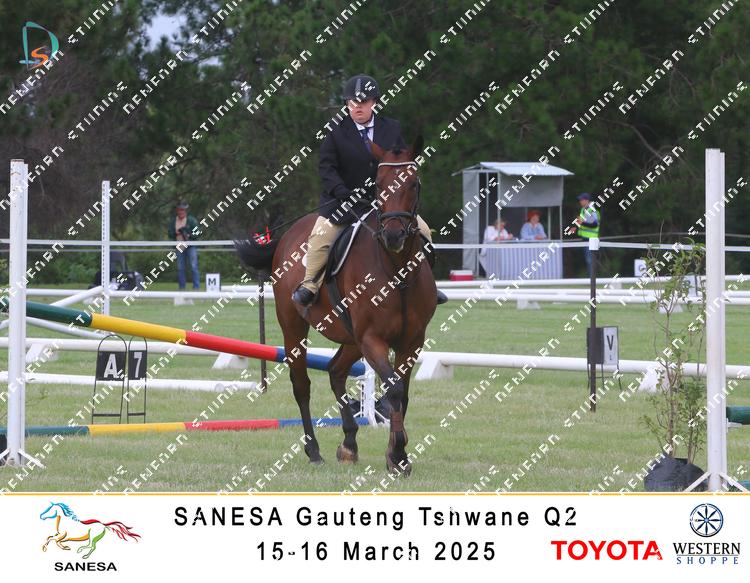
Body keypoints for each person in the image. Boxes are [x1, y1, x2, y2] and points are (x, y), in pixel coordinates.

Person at [292, 73, 447, 307]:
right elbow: (326, 167)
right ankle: (310, 285)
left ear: (374, 102)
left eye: (363, 102)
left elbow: (401, 161)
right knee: (321, 237)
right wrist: (341, 190)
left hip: (387, 203)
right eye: (352, 102)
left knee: (423, 231)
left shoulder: (392, 128)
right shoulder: (335, 131)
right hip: (344, 202)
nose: (357, 107)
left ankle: (427, 284)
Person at [168, 200, 201, 290]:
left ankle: (196, 287)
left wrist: (188, 234)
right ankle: (182, 287)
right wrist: (176, 233)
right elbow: (170, 233)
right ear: (177, 211)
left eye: (182, 210)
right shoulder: (173, 221)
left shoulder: (191, 220)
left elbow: (198, 232)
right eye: (179, 210)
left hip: (190, 246)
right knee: (180, 268)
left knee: (194, 266)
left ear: (185, 211)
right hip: (179, 246)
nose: (181, 212)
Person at [572, 192, 600, 276]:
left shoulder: (591, 210)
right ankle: (591, 278)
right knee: (588, 260)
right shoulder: (583, 210)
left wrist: (582, 223)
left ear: (587, 200)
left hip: (591, 239)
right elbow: (583, 223)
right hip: (585, 238)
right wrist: (576, 227)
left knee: (590, 260)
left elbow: (594, 224)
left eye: (581, 200)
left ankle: (592, 278)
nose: (580, 201)